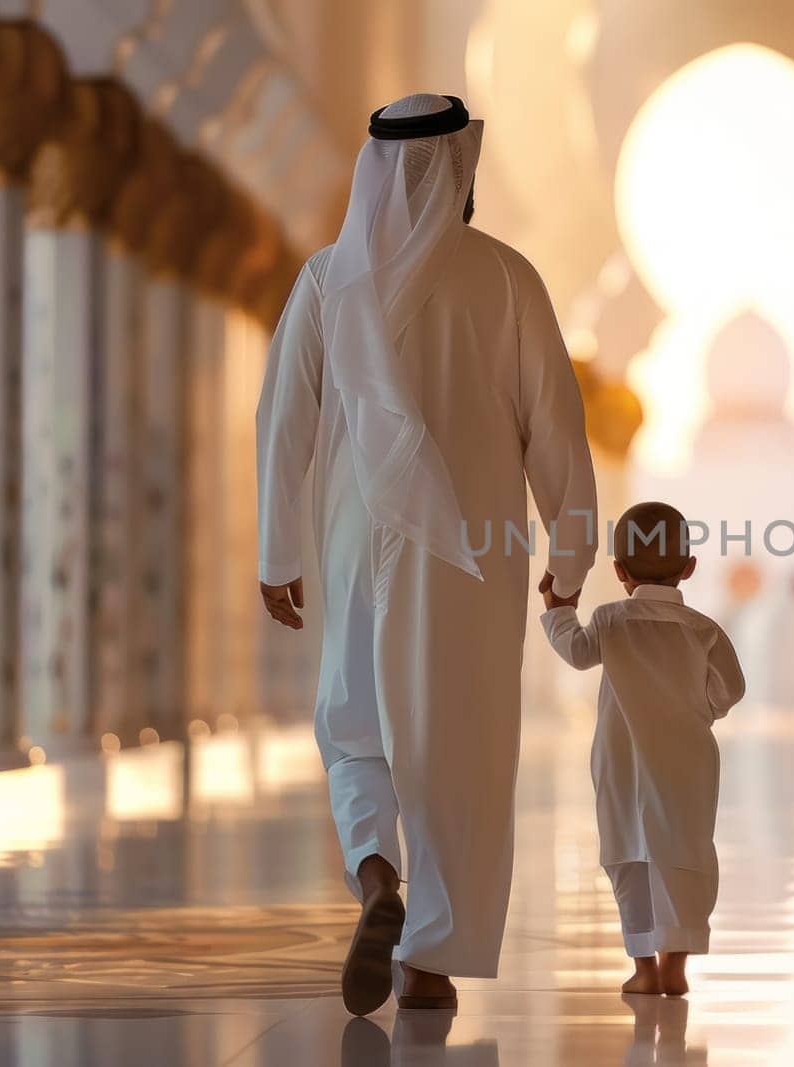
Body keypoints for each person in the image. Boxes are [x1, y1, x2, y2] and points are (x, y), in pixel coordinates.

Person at [255, 93, 598, 1014]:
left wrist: (276, 550)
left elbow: (283, 424)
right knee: (461, 744)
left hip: (352, 541)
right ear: (460, 170)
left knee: (354, 724)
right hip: (471, 554)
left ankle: (377, 879)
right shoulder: (508, 280)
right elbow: (556, 431)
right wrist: (570, 557)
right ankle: (430, 958)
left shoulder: (330, 280)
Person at [539, 501, 745, 996]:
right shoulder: (703, 630)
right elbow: (731, 689)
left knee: (627, 855)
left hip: (622, 764)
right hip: (686, 764)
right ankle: (676, 964)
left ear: (619, 571)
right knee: (683, 852)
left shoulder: (611, 620)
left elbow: (577, 652)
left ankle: (644, 968)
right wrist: (701, 712)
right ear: (689, 567)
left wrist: (560, 611)